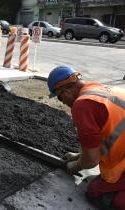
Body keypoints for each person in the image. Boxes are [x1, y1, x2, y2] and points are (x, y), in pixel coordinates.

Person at [47, 66, 125, 210]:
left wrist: (77, 165)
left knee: (95, 192)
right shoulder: (98, 89)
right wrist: (80, 156)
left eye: (59, 97)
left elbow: (92, 160)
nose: (62, 102)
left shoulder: (82, 105)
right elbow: (108, 135)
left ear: (67, 91)